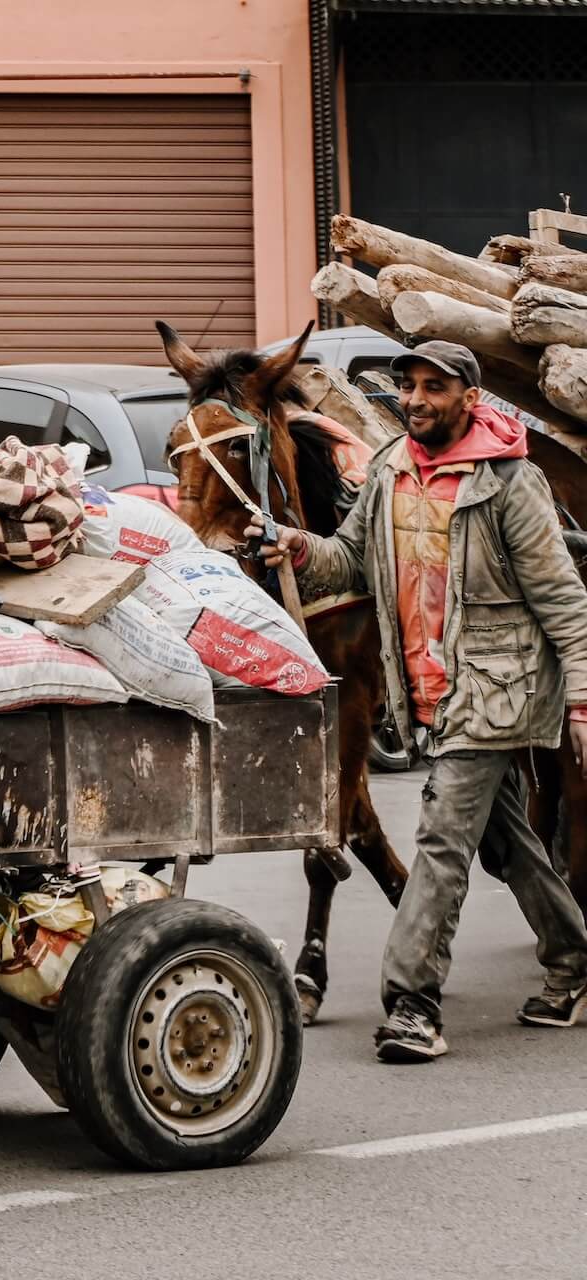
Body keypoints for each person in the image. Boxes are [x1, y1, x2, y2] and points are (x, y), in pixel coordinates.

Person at [251, 340, 587, 1061]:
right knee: (507, 842)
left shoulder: (508, 482)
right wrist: (297, 547)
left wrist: (582, 699)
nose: (415, 400)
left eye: (434, 388)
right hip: (429, 692)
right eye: (408, 387)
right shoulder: (391, 471)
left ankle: (413, 1003)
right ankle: (575, 962)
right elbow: (352, 556)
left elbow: (562, 599)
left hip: (499, 688)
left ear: (469, 397)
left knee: (440, 841)